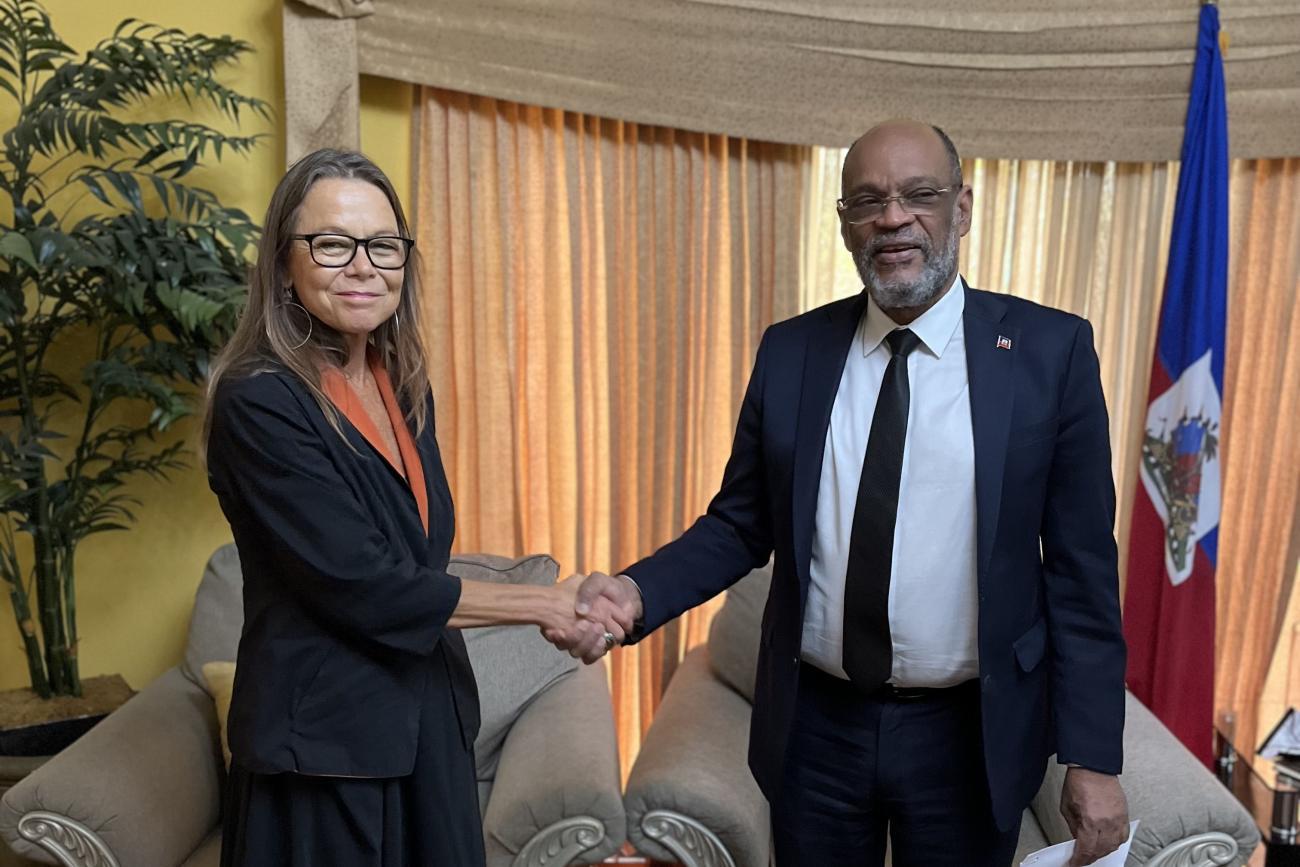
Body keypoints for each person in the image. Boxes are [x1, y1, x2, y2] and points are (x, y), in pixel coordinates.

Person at [563, 120, 1130, 866]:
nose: (892, 218)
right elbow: (739, 524)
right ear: (843, 224)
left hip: (970, 732)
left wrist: (1092, 754)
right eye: (867, 200)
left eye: (918, 195)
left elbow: (1081, 569)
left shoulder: (1049, 353)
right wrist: (634, 592)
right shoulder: (792, 351)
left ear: (962, 208)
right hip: (816, 731)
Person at [203, 149, 623, 867]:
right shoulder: (259, 399)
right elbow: (364, 582)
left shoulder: (399, 384)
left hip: (427, 723)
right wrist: (548, 603)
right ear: (282, 264)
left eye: (383, 245)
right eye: (332, 244)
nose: (364, 265)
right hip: (324, 752)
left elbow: (416, 553)